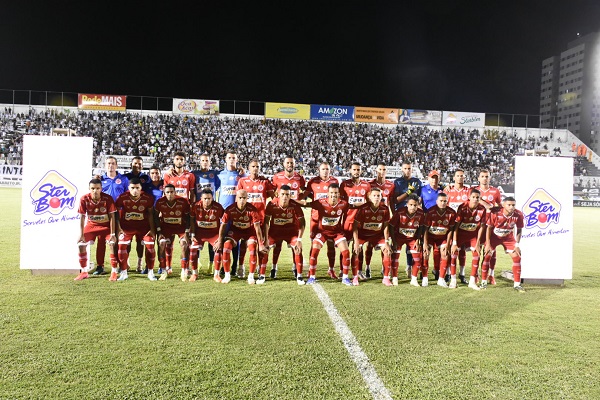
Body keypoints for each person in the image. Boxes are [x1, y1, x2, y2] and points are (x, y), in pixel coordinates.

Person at [304, 183, 352, 285]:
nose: (333, 195)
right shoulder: (320, 203)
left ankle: (345, 277)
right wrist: (291, 201)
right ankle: (312, 277)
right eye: (331, 193)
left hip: (337, 233)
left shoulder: (343, 204)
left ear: (339, 194)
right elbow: (306, 204)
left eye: (335, 193)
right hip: (322, 232)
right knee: (314, 250)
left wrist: (368, 204)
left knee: (346, 252)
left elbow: (354, 206)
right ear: (327, 193)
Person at [215, 189, 266, 284]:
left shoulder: (252, 210)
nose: (242, 200)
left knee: (252, 248)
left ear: (247, 198)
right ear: (236, 198)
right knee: (226, 247)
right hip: (235, 231)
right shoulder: (230, 209)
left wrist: (261, 244)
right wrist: (220, 241)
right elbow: (223, 225)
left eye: (244, 198)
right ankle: (227, 275)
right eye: (240, 198)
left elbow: (257, 228)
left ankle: (250, 276)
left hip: (249, 232)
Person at [236, 159, 275, 279]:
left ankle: (259, 266)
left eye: (257, 166)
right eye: (253, 166)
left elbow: (272, 196)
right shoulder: (243, 181)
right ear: (249, 168)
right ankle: (241, 266)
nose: (255, 168)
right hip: (246, 219)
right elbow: (238, 198)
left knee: (260, 243)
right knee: (243, 243)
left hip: (261, 218)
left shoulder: (264, 182)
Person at [74, 179, 118, 281]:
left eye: (97, 188)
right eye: (93, 188)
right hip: (92, 226)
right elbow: (82, 217)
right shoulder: (84, 199)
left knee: (112, 243)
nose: (95, 191)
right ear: (89, 189)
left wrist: (112, 233)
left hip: (106, 227)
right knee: (81, 244)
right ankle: (84, 271)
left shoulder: (108, 198)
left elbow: (112, 216)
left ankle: (114, 272)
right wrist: (81, 234)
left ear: (101, 189)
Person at [115, 177, 157, 281]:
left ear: (141, 188)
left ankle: (150, 272)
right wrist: (119, 228)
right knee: (121, 247)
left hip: (144, 228)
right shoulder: (122, 197)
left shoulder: (147, 198)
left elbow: (151, 214)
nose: (135, 190)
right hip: (127, 228)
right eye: (132, 188)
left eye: (137, 188)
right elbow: (115, 213)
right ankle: (124, 272)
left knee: (150, 247)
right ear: (128, 188)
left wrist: (152, 229)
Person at [270, 156, 306, 278]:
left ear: (294, 164)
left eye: (291, 163)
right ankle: (274, 267)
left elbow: (304, 191)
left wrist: (299, 201)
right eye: (288, 163)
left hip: (294, 213)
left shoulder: (299, 178)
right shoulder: (277, 177)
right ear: (284, 164)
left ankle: (295, 267)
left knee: (294, 244)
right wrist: (275, 202)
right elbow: (271, 191)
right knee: (277, 244)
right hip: (281, 211)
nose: (289, 164)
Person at [303, 162, 339, 279]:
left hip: (329, 219)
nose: (325, 171)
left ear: (330, 170)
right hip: (315, 218)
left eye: (327, 169)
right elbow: (305, 196)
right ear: (319, 170)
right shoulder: (313, 182)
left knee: (331, 244)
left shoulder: (335, 182)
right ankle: (311, 270)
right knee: (314, 245)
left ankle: (331, 269)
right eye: (323, 169)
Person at [263, 185, 306, 285]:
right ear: (278, 194)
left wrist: (299, 240)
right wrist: (265, 238)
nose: (285, 197)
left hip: (290, 231)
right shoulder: (271, 204)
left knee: (297, 248)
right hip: (275, 231)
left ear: (290, 195)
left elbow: (302, 223)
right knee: (266, 248)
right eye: (282, 194)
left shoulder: (294, 205)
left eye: (287, 194)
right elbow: (266, 222)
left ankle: (299, 275)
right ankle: (267, 271)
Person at [482, 197, 525, 291]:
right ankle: (483, 283)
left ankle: (517, 284)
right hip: (494, 238)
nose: (511, 207)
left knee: (517, 257)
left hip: (508, 238)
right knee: (487, 256)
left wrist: (517, 245)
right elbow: (489, 229)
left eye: (513, 205)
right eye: (509, 205)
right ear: (503, 204)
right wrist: (488, 244)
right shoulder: (496, 213)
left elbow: (519, 230)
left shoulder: (518, 214)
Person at [352, 187, 392, 286]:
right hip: (363, 234)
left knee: (387, 251)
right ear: (369, 197)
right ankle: (355, 277)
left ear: (381, 197)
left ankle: (386, 278)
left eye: (378, 195)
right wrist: (356, 242)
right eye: (374, 195)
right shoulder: (363, 208)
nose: (376, 197)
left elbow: (386, 226)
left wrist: (386, 242)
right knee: (356, 251)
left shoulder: (385, 209)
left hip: (377, 235)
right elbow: (355, 226)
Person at [191, 153, 221, 274]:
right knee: (199, 236)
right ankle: (197, 262)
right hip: (199, 209)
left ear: (210, 162)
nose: (204, 162)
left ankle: (211, 263)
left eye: (207, 160)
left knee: (211, 236)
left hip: (211, 208)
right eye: (202, 160)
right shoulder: (194, 174)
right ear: (200, 161)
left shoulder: (215, 174)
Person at [450, 189, 487, 290]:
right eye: (473, 197)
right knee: (453, 254)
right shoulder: (463, 207)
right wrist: (454, 242)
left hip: (472, 235)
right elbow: (456, 226)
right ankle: (453, 280)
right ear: (469, 197)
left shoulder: (482, 209)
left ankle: (472, 281)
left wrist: (478, 242)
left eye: (477, 198)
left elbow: (482, 227)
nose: (475, 199)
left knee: (477, 254)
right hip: (460, 234)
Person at [339, 162, 371, 280]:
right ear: (350, 170)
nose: (356, 172)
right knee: (345, 247)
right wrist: (354, 205)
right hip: (348, 220)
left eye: (358, 170)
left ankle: (359, 271)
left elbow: (368, 202)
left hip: (361, 222)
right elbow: (341, 203)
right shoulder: (344, 185)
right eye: (354, 170)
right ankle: (343, 270)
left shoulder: (366, 186)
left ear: (361, 171)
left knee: (360, 248)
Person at [471, 168, 503, 284]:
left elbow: (500, 207)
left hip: (491, 225)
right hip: (478, 225)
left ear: (490, 178)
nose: (484, 178)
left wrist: (494, 209)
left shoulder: (495, 192)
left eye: (487, 176)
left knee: (491, 250)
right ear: (478, 178)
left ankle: (491, 274)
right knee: (477, 249)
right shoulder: (473, 191)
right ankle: (476, 274)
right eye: (482, 176)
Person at [154, 184, 191, 281]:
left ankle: (184, 270)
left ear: (175, 192)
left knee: (184, 244)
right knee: (162, 244)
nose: (170, 194)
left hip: (181, 228)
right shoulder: (160, 202)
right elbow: (155, 217)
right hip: (166, 228)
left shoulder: (183, 202)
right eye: (167, 192)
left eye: (172, 192)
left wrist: (187, 232)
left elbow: (188, 217)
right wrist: (159, 231)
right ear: (164, 193)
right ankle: (164, 270)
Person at [216, 151, 245, 277]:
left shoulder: (241, 175)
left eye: (234, 158)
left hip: (237, 213)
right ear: (225, 159)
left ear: (237, 160)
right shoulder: (220, 175)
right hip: (223, 213)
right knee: (222, 238)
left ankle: (234, 265)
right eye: (230, 158)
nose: (232, 159)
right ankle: (223, 265)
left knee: (236, 239)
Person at [365, 163, 395, 277]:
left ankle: (384, 268)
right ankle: (367, 267)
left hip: (384, 217)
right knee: (369, 244)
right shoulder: (370, 184)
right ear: (376, 171)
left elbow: (391, 202)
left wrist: (394, 215)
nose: (381, 172)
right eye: (380, 170)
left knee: (385, 242)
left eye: (384, 170)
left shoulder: (390, 185)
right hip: (372, 218)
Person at [392, 161, 422, 278]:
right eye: (405, 168)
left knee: (411, 241)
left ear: (412, 169)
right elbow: (396, 200)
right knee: (396, 243)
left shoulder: (417, 182)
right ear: (402, 169)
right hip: (400, 216)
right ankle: (390, 269)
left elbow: (419, 199)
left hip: (413, 216)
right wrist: (408, 192)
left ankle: (409, 266)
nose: (407, 170)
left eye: (409, 168)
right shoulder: (398, 182)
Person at [389, 194, 426, 286]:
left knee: (417, 258)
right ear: (407, 204)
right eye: (411, 205)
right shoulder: (400, 212)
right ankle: (394, 278)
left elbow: (421, 227)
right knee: (395, 257)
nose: (413, 207)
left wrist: (418, 239)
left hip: (412, 238)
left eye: (415, 205)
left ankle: (414, 279)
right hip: (398, 238)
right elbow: (391, 226)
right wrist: (393, 241)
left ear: (418, 205)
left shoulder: (420, 214)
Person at [189, 188, 225, 282]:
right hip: (199, 233)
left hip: (214, 234)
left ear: (212, 198)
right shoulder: (195, 206)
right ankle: (194, 273)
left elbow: (224, 222)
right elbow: (192, 220)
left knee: (219, 250)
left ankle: (216, 275)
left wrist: (220, 238)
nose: (207, 200)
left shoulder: (218, 207)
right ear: (201, 198)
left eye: (209, 198)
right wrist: (192, 233)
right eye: (205, 198)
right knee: (193, 250)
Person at [423, 193, 457, 288]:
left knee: (445, 254)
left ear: (447, 201)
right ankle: (425, 278)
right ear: (437, 201)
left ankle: (441, 279)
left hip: (442, 238)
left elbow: (450, 229)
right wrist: (425, 244)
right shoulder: (430, 212)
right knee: (425, 254)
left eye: (445, 201)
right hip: (430, 237)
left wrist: (448, 244)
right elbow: (425, 229)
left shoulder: (451, 213)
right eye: (441, 201)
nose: (443, 203)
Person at [124, 156, 151, 273]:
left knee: (140, 241)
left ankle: (139, 264)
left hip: (142, 212)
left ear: (142, 166)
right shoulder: (126, 177)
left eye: (140, 164)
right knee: (127, 241)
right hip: (128, 212)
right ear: (131, 164)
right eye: (135, 163)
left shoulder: (146, 178)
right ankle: (127, 262)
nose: (137, 165)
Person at [444, 168, 471, 283]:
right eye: (458, 176)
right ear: (454, 178)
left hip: (463, 226)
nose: (460, 177)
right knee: (450, 249)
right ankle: (448, 273)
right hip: (450, 225)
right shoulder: (448, 191)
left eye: (462, 176)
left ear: (464, 178)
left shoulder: (468, 191)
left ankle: (462, 274)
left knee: (462, 250)